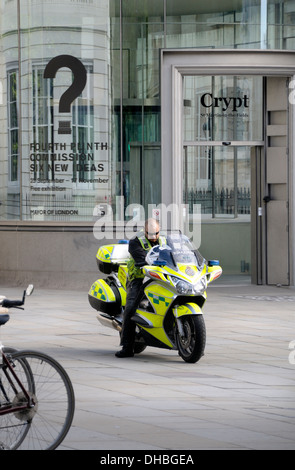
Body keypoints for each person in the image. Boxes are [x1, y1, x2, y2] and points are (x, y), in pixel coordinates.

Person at [115, 218, 165, 358]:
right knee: (130, 307)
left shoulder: (165, 241)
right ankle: (127, 346)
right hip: (139, 279)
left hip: (160, 277)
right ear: (145, 231)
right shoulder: (135, 241)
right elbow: (142, 259)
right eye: (150, 234)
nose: (154, 237)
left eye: (156, 233)